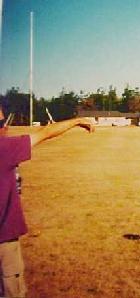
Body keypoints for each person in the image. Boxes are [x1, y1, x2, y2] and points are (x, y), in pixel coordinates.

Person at [0, 105, 94, 297]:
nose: (6, 127)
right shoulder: (4, 149)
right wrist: (77, 120)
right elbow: (46, 132)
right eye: (1, 123)